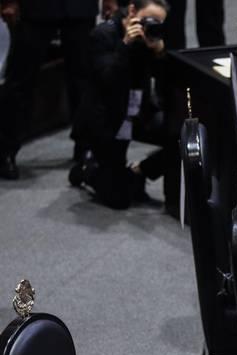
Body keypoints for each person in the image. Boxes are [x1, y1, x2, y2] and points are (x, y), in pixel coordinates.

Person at [69, 0, 169, 210]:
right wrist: (125, 44)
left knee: (185, 137)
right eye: (149, 20)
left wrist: (160, 54)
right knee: (120, 199)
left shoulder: (150, 38)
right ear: (132, 11)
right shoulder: (102, 35)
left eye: (159, 23)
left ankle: (139, 171)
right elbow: (107, 80)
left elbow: (168, 86)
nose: (152, 26)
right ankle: (88, 168)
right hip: (105, 122)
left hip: (137, 114)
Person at [0, 0, 98, 179]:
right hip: (34, 8)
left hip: (81, 7)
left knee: (84, 80)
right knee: (20, 79)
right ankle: (6, 150)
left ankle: (86, 146)